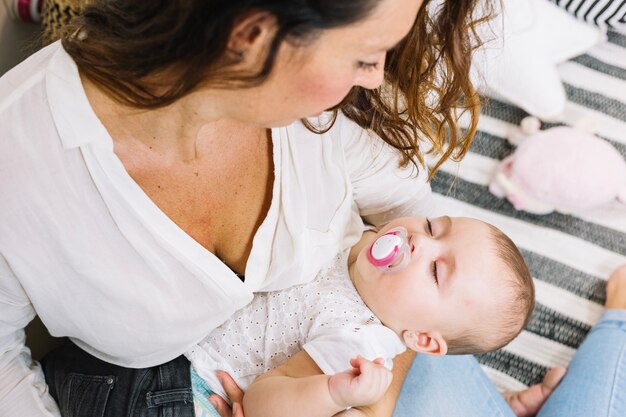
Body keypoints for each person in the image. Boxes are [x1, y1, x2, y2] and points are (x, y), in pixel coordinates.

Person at [0, 1, 623, 417]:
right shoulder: (22, 167)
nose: (378, 78)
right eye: (363, 55)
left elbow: (414, 210)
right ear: (253, 39)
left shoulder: (325, 120)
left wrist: (374, 397)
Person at [188, 215, 535, 417]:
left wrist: (334, 394)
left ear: (422, 339)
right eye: (432, 226)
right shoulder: (355, 236)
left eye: (435, 272)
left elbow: (261, 406)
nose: (419, 241)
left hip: (202, 380)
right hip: (192, 312)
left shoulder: (357, 344)